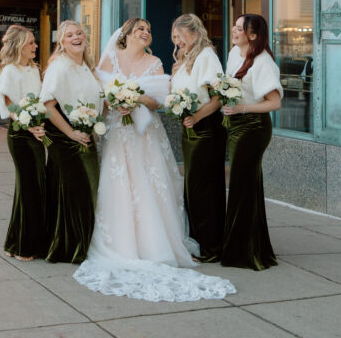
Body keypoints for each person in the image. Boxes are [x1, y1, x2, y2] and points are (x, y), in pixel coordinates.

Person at [73, 18, 235, 302]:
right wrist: (118, 102)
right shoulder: (112, 57)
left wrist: (137, 100)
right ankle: (121, 242)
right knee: (119, 182)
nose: (146, 33)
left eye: (149, 30)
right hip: (118, 133)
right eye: (141, 29)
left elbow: (159, 101)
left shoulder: (156, 61)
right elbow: (102, 96)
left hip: (145, 134)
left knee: (149, 182)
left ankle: (156, 244)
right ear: (127, 34)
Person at [221, 13, 283, 270]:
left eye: (239, 28)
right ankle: (251, 245)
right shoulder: (234, 53)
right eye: (234, 26)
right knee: (245, 186)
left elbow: (275, 102)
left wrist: (242, 108)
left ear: (253, 35)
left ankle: (243, 252)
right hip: (235, 126)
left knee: (241, 186)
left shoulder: (263, 62)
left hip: (253, 128)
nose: (234, 31)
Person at [41, 20, 102, 263]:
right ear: (62, 43)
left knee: (88, 191)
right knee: (76, 194)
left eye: (79, 33)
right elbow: (47, 105)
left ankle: (84, 243)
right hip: (66, 139)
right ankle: (70, 247)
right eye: (69, 35)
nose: (76, 37)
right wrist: (70, 133)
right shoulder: (60, 66)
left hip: (85, 135)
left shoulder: (86, 65)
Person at [171, 13, 226, 262]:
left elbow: (218, 97)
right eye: (174, 38)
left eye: (179, 36)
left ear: (193, 32)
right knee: (193, 188)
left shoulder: (207, 56)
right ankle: (198, 242)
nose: (177, 42)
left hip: (205, 129)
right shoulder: (186, 58)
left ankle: (211, 247)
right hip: (190, 129)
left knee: (203, 188)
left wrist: (197, 117)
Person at [0, 25, 47, 260]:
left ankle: (18, 241)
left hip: (36, 133)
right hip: (20, 135)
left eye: (35, 42)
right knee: (28, 188)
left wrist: (39, 126)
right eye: (30, 43)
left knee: (35, 187)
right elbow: (10, 106)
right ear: (19, 46)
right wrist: (30, 126)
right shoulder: (9, 71)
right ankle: (22, 247)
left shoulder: (34, 70)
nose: (35, 46)